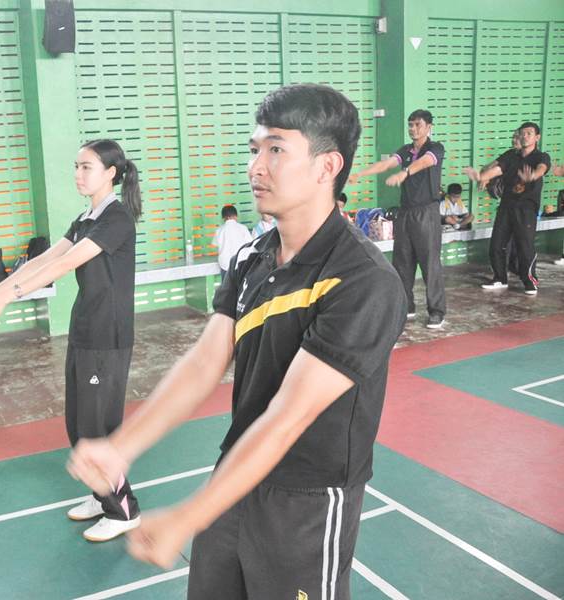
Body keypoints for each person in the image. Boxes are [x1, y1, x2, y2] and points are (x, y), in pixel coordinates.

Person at [68, 84, 406, 600]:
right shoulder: (253, 256)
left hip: (308, 501)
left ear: (327, 166)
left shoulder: (363, 281)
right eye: (254, 149)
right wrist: (121, 448)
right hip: (237, 474)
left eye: (276, 149)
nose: (255, 167)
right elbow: (204, 362)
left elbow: (288, 417)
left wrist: (187, 516)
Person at [0, 139, 143, 543]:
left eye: (87, 167)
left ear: (111, 173)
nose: (78, 174)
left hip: (107, 336)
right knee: (77, 425)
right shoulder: (85, 219)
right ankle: (101, 492)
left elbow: (66, 264)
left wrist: (6, 297)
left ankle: (124, 509)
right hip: (84, 330)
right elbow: (45, 259)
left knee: (96, 428)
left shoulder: (117, 219)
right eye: (76, 166)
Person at [348, 109, 446, 328]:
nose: (413, 129)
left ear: (429, 127)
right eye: (410, 124)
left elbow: (425, 162)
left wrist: (405, 173)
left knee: (429, 263)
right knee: (402, 261)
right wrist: (360, 174)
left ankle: (437, 311)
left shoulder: (435, 148)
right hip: (406, 213)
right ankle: (406, 306)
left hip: (426, 212)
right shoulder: (405, 150)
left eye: (418, 125)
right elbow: (385, 164)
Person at [472, 122, 550, 295]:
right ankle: (500, 278)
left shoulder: (541, 156)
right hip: (507, 205)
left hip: (526, 208)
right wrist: (481, 176)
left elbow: (542, 169)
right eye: (522, 133)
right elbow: (497, 169)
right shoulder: (511, 155)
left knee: (525, 245)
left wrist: (533, 176)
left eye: (529, 133)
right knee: (497, 243)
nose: (525, 136)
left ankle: (529, 281)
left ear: (537, 137)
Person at [214, 205, 253, 280]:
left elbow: (216, 244)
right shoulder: (243, 228)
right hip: (240, 264)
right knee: (240, 286)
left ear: (223, 218)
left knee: (226, 286)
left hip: (225, 265)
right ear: (236, 216)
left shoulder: (219, 230)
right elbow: (250, 244)